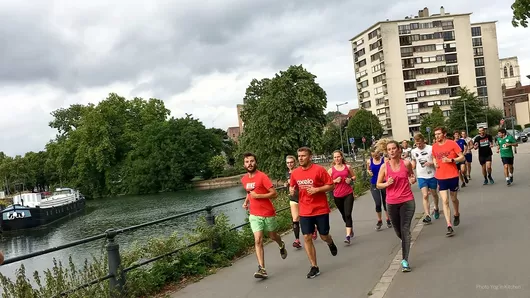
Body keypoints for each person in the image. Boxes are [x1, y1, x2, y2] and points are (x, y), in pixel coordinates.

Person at [289, 147, 337, 279]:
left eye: (303, 156)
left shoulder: (319, 170)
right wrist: (292, 191)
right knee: (307, 237)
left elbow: (331, 185)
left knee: (324, 235)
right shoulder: (295, 173)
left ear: (310, 157)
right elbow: (292, 186)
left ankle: (330, 242)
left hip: (320, 208)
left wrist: (317, 190)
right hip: (304, 210)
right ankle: (314, 266)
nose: (300, 158)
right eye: (299, 156)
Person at [241, 152, 288, 278]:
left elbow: (274, 194)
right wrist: (246, 202)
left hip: (267, 212)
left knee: (273, 236)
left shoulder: (262, 177)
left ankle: (281, 244)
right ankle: (262, 268)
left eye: (251, 161)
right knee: (258, 240)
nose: (249, 164)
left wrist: (259, 196)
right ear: (244, 164)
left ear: (255, 162)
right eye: (247, 162)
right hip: (254, 214)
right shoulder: (244, 179)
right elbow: (249, 192)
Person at [376, 139, 416, 272]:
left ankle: (405, 260)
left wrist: (412, 179)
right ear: (387, 152)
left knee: (405, 230)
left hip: (407, 200)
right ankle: (405, 240)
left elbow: (411, 175)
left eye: (394, 148)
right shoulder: (384, 167)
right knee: (398, 231)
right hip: (392, 202)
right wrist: (387, 184)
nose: (392, 151)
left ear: (399, 150)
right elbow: (378, 184)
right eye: (389, 149)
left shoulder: (406, 163)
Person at [431, 127, 465, 237]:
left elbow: (462, 157)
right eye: (435, 134)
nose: (437, 136)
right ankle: (449, 225)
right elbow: (434, 157)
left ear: (444, 134)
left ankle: (456, 214)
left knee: (453, 199)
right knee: (445, 201)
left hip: (453, 175)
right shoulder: (434, 146)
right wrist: (435, 162)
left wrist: (451, 160)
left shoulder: (452, 144)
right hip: (441, 176)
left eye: (439, 134)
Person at [411, 133, 440, 225]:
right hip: (421, 175)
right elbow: (413, 162)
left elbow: (436, 160)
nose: (419, 145)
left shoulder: (431, 148)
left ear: (423, 141)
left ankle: (436, 208)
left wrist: (431, 163)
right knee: (425, 195)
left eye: (420, 143)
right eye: (417, 143)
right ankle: (427, 215)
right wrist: (411, 171)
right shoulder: (413, 151)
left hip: (432, 175)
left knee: (434, 194)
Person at [328, 150, 356, 244]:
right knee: (344, 215)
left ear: (342, 157)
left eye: (338, 157)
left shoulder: (347, 167)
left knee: (348, 214)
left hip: (348, 193)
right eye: (335, 157)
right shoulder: (331, 170)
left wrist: (350, 180)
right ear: (333, 159)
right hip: (337, 195)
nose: (337, 159)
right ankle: (350, 228)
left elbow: (354, 177)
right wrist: (335, 181)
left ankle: (347, 236)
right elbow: (327, 183)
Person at [366, 147, 392, 230]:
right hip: (374, 183)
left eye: (377, 154)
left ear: (379, 153)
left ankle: (388, 219)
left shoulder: (384, 160)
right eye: (373, 155)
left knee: (385, 202)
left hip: (384, 183)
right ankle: (379, 220)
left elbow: (389, 169)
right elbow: (368, 169)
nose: (375, 156)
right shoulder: (369, 161)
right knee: (377, 203)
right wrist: (369, 172)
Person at [285, 155, 303, 248]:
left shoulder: (299, 171)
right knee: (295, 218)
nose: (289, 164)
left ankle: (314, 228)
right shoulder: (287, 173)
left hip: (303, 197)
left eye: (291, 162)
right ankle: (297, 240)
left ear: (295, 162)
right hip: (293, 198)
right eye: (287, 162)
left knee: (305, 216)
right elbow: (289, 182)